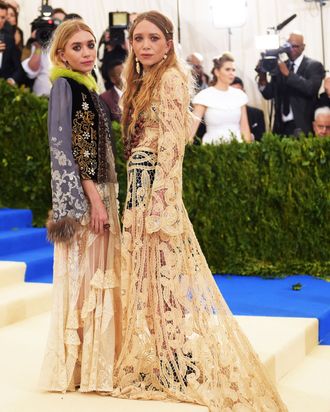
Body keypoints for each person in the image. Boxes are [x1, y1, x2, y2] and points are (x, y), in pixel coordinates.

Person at [112, 10, 287, 411]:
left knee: (167, 272)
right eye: (138, 39)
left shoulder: (171, 79)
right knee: (148, 273)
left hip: (156, 187)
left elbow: (174, 144)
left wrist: (161, 198)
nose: (145, 45)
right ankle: (162, 356)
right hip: (139, 184)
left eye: (153, 38)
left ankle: (176, 358)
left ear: (168, 42)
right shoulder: (141, 79)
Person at [39, 19, 121, 393]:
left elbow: (91, 146)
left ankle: (94, 366)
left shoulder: (88, 88)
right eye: (78, 47)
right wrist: (92, 201)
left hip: (101, 189)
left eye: (90, 46)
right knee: (85, 278)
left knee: (95, 277)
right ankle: (80, 368)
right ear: (61, 54)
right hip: (88, 196)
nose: (87, 53)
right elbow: (68, 148)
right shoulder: (64, 86)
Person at [257, 31, 324, 137]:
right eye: (288, 46)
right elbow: (268, 94)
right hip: (281, 127)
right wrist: (262, 76)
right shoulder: (282, 66)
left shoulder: (314, 66)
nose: (291, 49)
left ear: (303, 47)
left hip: (303, 125)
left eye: (295, 46)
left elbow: (311, 89)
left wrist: (288, 74)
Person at [191, 52, 251, 144]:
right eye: (227, 69)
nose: (231, 73)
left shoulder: (240, 96)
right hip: (211, 152)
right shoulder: (204, 96)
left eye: (233, 70)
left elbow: (245, 129)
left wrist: (249, 152)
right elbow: (191, 130)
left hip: (237, 150)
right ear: (217, 72)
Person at [231, 76, 266, 141]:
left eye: (239, 93)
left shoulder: (257, 114)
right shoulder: (222, 115)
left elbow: (261, 139)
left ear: (244, 92)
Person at [0, 0, 22, 85]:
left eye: (3, 17)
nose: (0, 20)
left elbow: (18, 69)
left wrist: (11, 80)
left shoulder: (9, 39)